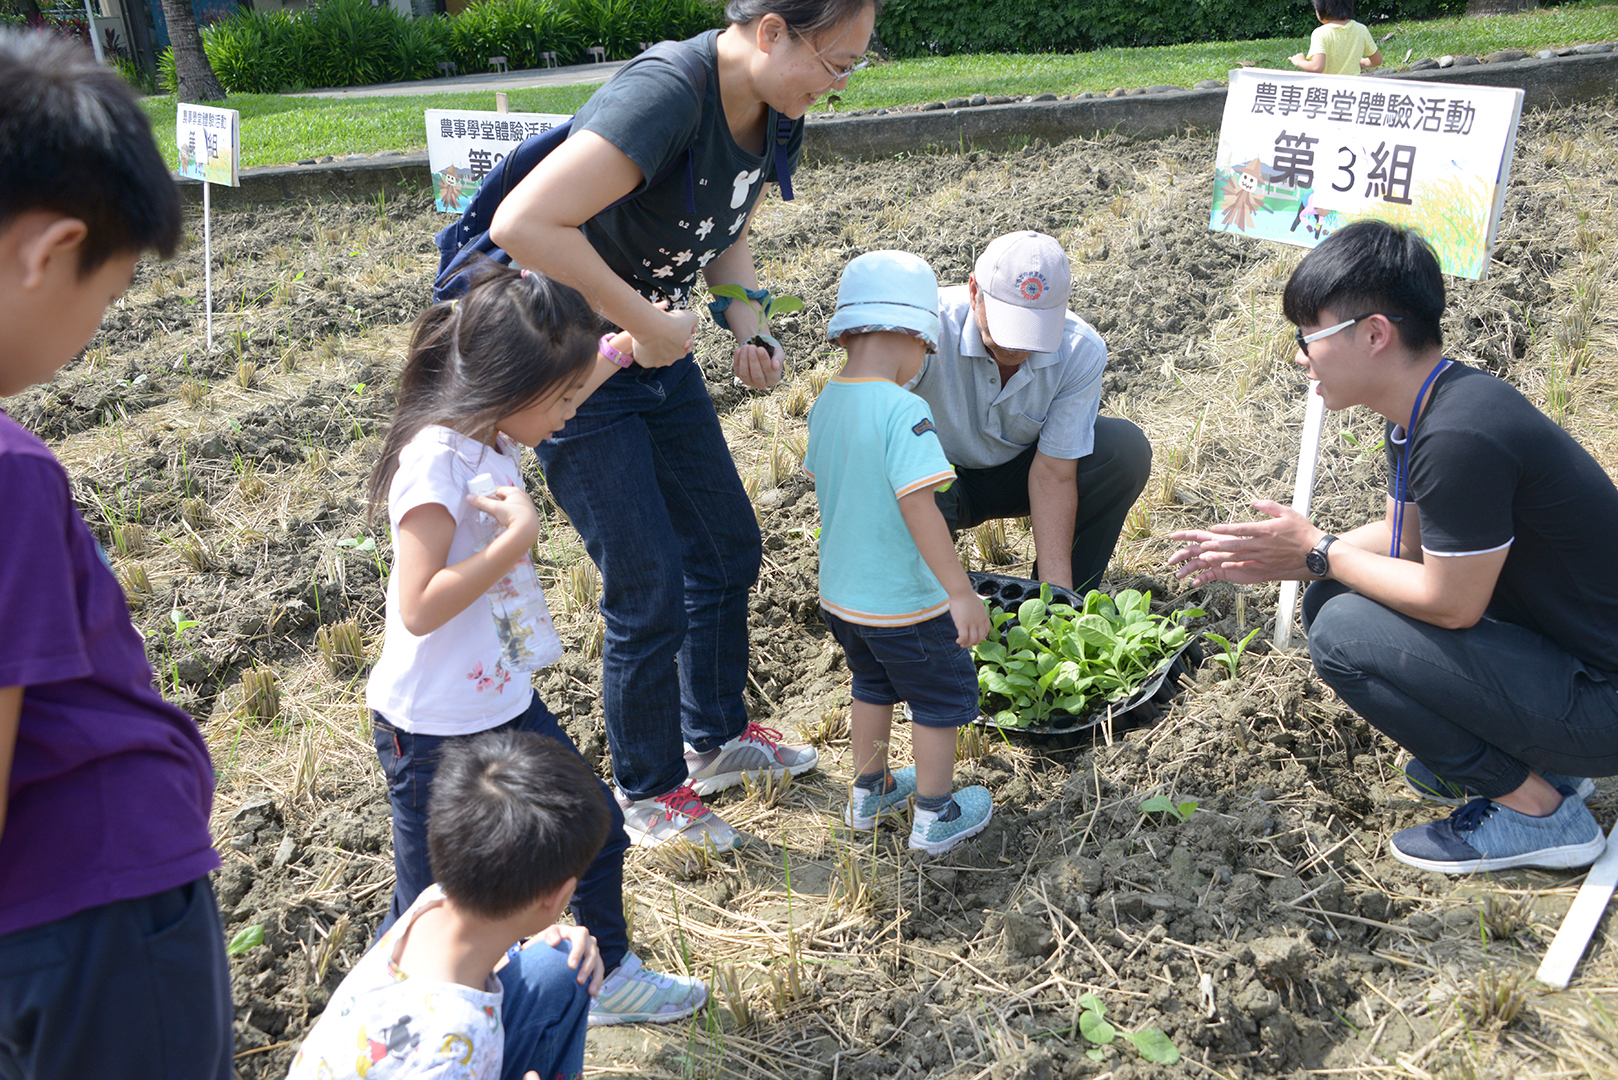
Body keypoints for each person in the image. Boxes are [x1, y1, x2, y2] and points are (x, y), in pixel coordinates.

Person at [486, 0, 882, 852]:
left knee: (726, 546)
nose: (839, 83)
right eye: (836, 61)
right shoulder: (668, 93)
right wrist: (646, 321)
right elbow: (522, 224)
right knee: (648, 582)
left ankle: (716, 740)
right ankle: (649, 789)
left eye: (854, 67)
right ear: (772, 30)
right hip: (574, 366)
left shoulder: (780, 104)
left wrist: (746, 319)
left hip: (654, 348)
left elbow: (724, 229)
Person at [1168, 220, 1618, 874]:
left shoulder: (1460, 435)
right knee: (1333, 596)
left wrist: (1320, 548)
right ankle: (1541, 765)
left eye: (1308, 336)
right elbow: (1405, 543)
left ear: (1375, 334)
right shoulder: (1428, 410)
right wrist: (1291, 555)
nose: (1299, 356)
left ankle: (1539, 813)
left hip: (1604, 700)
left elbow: (1452, 604)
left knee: (1345, 629)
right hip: (1575, 664)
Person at [364, 265, 705, 1026]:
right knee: (438, 902)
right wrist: (517, 537)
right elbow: (417, 607)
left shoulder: (497, 426)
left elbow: (566, 389)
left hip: (503, 696)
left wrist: (620, 348)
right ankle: (407, 1034)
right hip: (428, 730)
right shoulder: (436, 462)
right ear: (508, 389)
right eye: (560, 398)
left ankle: (608, 974)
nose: (569, 414)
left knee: (598, 832)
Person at [0, 30, 233, 1080]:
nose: (96, 325)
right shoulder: (11, 470)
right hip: (94, 903)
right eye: (111, 290)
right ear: (46, 253)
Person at [805, 250, 995, 854]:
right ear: (912, 333)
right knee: (938, 699)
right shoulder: (905, 410)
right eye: (928, 349)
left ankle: (869, 792)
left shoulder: (826, 401)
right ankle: (935, 817)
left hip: (843, 597)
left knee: (872, 684)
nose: (925, 362)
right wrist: (960, 592)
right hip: (904, 604)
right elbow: (921, 509)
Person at [287, 730, 611, 1080]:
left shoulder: (434, 901)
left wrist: (528, 945)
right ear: (559, 896)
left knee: (562, 960)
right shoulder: (452, 1051)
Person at [905, 231, 1152, 596]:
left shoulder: (1079, 349)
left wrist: (1055, 601)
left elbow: (1054, 473)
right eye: (1008, 323)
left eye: (1033, 328)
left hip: (1019, 473)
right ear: (974, 292)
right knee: (896, 476)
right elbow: (877, 438)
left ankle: (1071, 602)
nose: (1017, 344)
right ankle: (909, 602)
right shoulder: (925, 326)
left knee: (1122, 451)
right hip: (935, 478)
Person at [1289, 0, 1382, 76]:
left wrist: (1299, 61)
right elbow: (1377, 60)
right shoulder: (1361, 29)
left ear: (1321, 10)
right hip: (1354, 90)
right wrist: (1364, 62)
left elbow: (1316, 67)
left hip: (1328, 91)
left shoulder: (1320, 33)